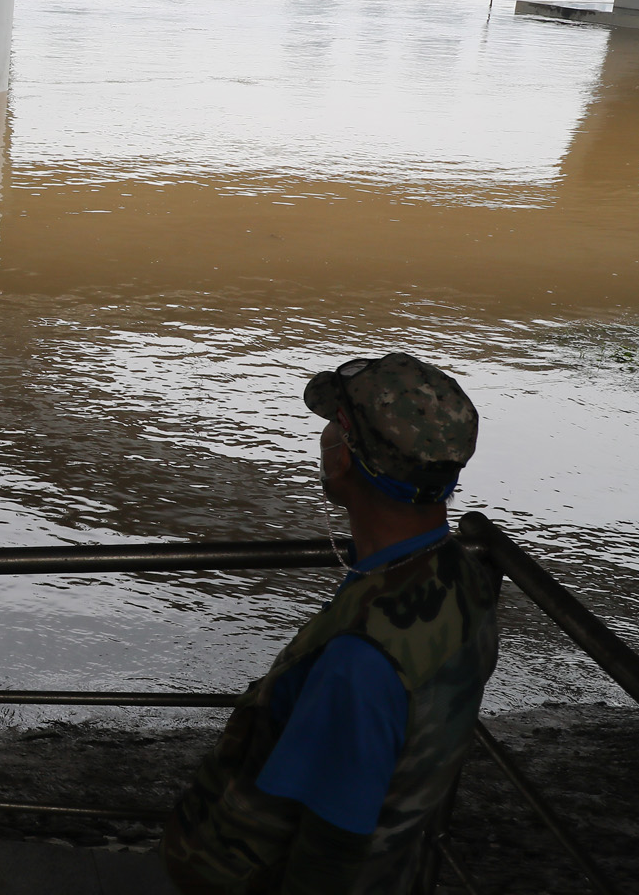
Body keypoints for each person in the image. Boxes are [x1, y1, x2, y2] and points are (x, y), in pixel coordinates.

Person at [163, 353, 499, 894]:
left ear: (344, 457)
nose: (324, 442)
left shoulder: (361, 661)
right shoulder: (460, 573)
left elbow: (329, 855)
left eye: (331, 428)